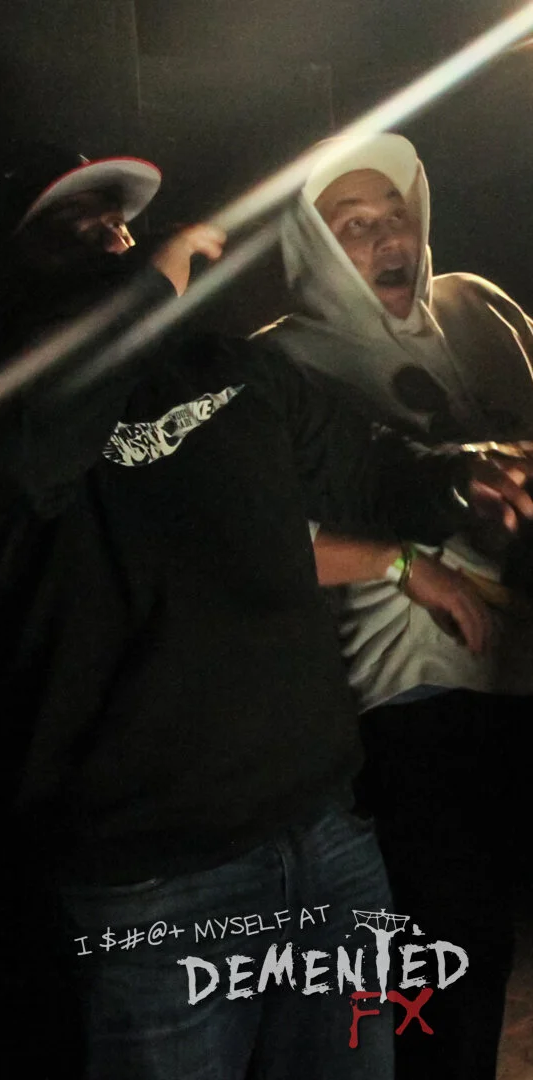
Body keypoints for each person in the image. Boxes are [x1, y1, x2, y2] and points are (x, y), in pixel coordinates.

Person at [0, 144, 533, 1080]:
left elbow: (365, 468)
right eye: (70, 227)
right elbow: (31, 454)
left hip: (321, 831)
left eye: (116, 220)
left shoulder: (229, 367)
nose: (111, 237)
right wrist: (144, 293)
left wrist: (460, 480)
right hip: (154, 877)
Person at [257, 132, 533, 1080]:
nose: (385, 238)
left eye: (396, 214)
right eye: (353, 223)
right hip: (409, 693)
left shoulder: (478, 308)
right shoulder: (281, 360)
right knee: (442, 954)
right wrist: (405, 560)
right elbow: (253, 536)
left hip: (518, 665)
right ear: (313, 242)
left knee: (493, 943)